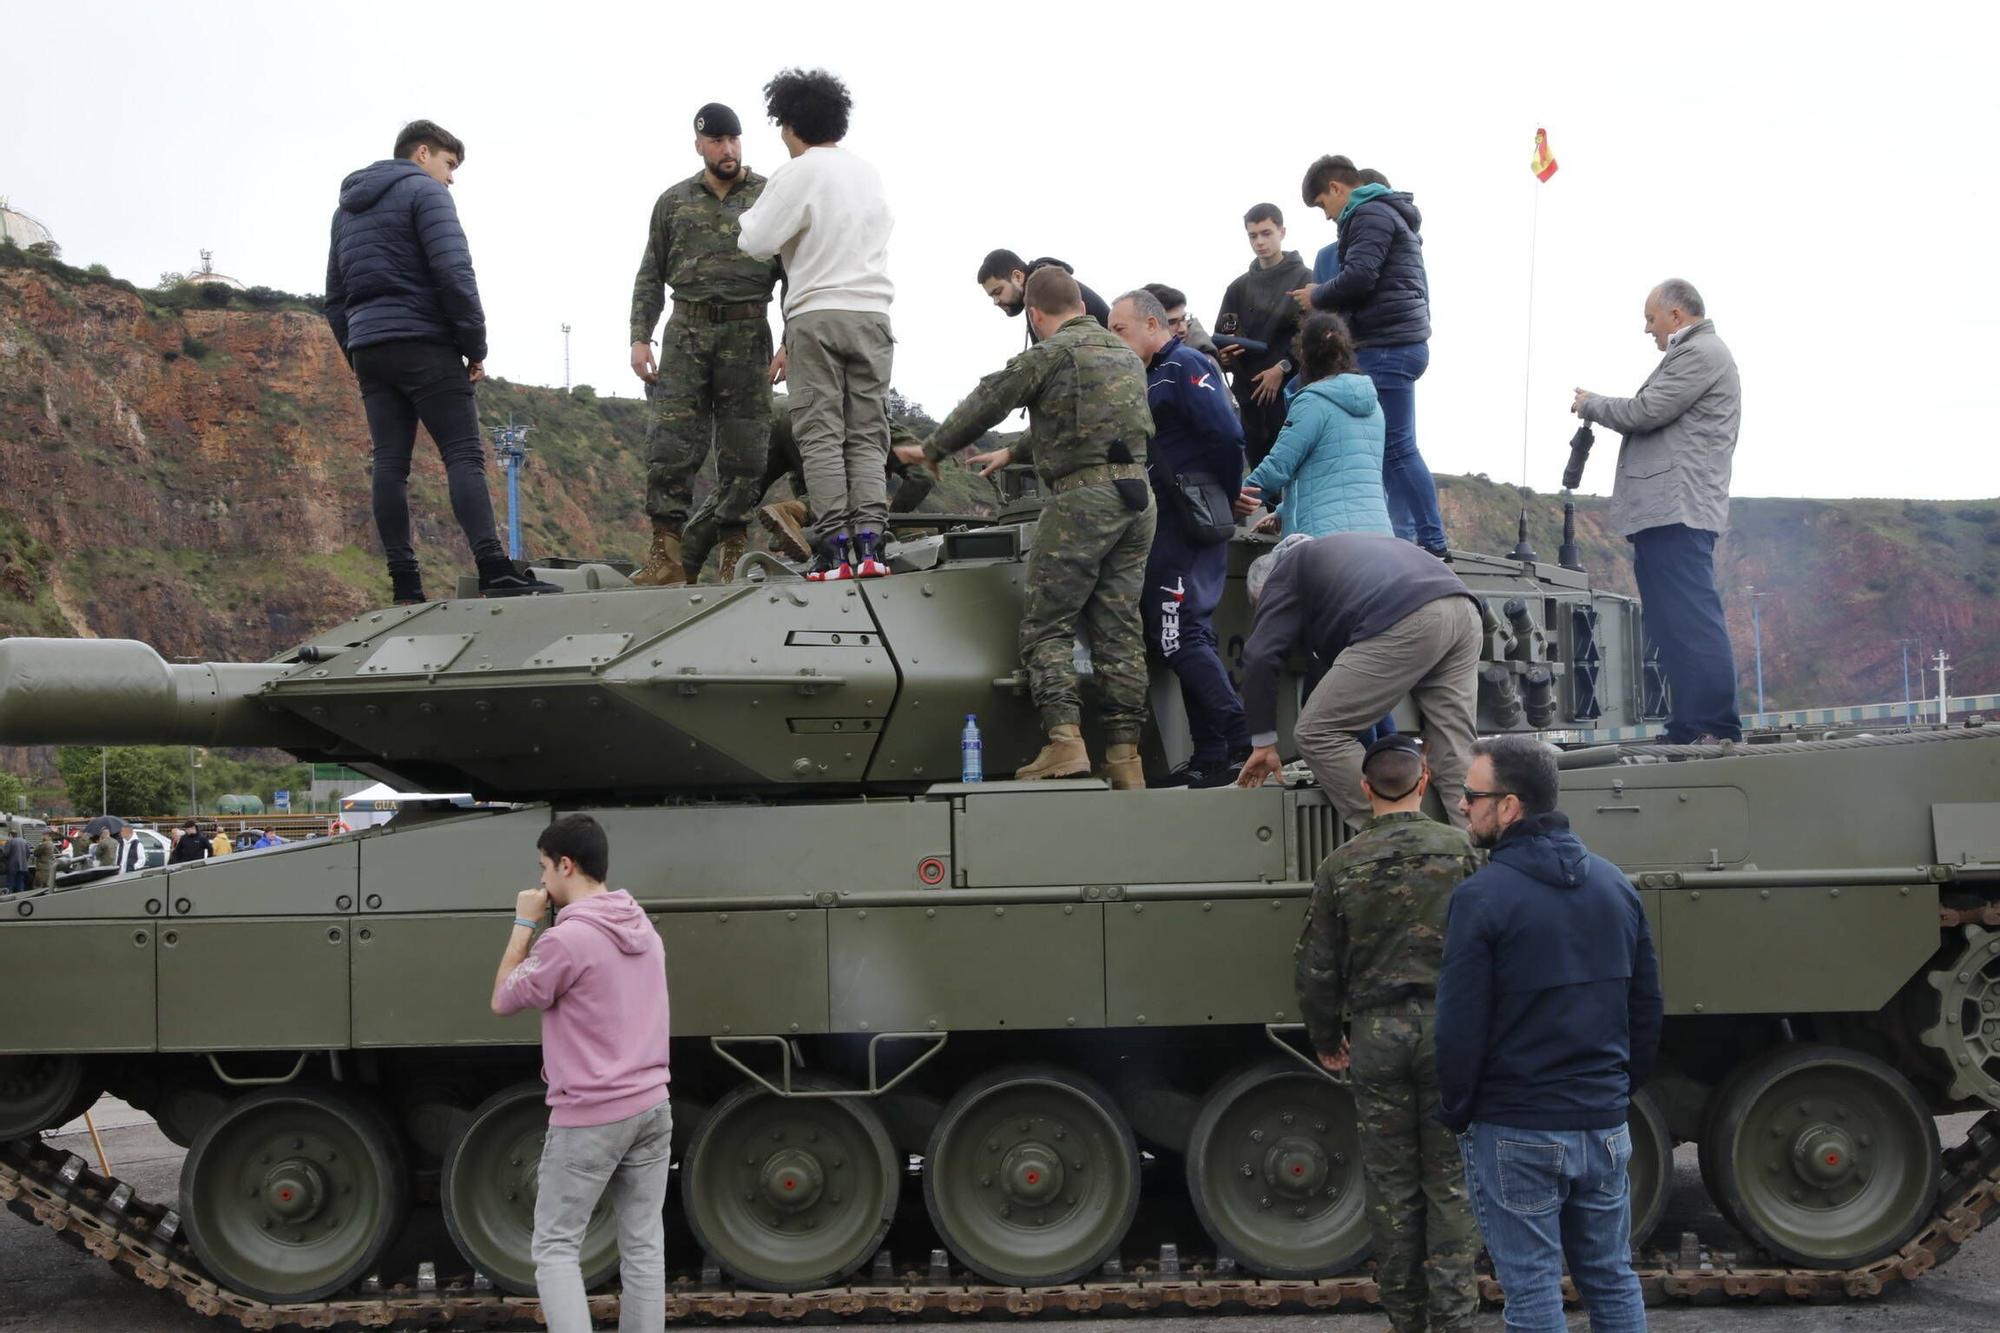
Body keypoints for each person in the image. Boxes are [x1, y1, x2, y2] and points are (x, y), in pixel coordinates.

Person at [1436, 735, 1663, 1333]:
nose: (1461, 806)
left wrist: (1459, 1110)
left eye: (1471, 795)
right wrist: (1614, 1091)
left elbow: (1459, 1026)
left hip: (1517, 1124)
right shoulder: (1616, 886)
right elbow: (1646, 1008)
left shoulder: (1480, 898)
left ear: (1508, 807)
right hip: (1602, 1122)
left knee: (1533, 1288)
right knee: (1612, 1277)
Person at [896, 267, 1156, 788]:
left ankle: (1065, 743)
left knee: (1047, 624)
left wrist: (931, 449)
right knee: (1120, 631)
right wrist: (1015, 449)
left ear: (1035, 315)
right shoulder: (1124, 356)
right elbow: (1091, 425)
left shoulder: (1051, 352)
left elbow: (989, 398)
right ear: (1081, 303)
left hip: (1082, 500)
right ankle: (1126, 759)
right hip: (1138, 501)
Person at [324, 119, 557, 602]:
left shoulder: (345, 211)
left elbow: (335, 297)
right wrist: (475, 345)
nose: (451, 177)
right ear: (423, 153)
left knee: (389, 463)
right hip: (424, 341)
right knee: (463, 455)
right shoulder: (426, 194)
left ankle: (405, 584)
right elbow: (454, 272)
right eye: (449, 165)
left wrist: (357, 347)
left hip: (370, 347)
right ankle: (494, 569)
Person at [1296, 734, 1481, 1333]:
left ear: (1365, 789)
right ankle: (1455, 1319)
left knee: (1392, 1186)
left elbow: (1317, 966)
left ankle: (1407, 1318)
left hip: (1375, 1036)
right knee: (1449, 1183)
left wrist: (1327, 1038)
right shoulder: (1463, 852)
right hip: (1450, 1032)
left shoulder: (1340, 865)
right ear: (1425, 782)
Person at [492, 813, 671, 1333]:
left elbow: (503, 998)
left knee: (555, 1246)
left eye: (544, 868)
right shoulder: (643, 928)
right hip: (651, 1106)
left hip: (591, 1114)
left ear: (566, 865)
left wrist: (524, 923)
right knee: (642, 1246)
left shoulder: (565, 942)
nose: (542, 882)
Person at [737, 67, 896, 581]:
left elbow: (755, 240)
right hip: (873, 314)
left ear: (790, 124)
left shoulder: (798, 172)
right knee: (868, 434)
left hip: (816, 316)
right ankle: (873, 544)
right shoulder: (866, 172)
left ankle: (834, 545)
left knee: (821, 434)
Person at [1573, 279, 1743, 743]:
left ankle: (1713, 724)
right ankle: (1691, 723)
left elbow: (1647, 410)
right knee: (1673, 622)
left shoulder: (1701, 353)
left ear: (1676, 314)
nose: (1647, 329)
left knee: (1690, 620)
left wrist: (1592, 405)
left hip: (1678, 511)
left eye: (1651, 318)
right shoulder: (1696, 354)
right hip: (1669, 513)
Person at [628, 103, 788, 588]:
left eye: (734, 140)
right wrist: (640, 336)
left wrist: (791, 342)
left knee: (745, 450)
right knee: (671, 443)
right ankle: (666, 556)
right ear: (699, 144)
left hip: (748, 332)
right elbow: (650, 273)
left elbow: (795, 275)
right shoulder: (673, 202)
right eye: (717, 141)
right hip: (686, 332)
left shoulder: (769, 197)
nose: (728, 149)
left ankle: (733, 556)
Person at [1105, 288, 1251, 788]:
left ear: (1152, 325)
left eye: (1120, 330)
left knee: (1177, 635)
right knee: (1188, 633)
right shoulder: (1146, 376)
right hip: (1164, 521)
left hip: (1186, 521)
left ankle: (1240, 742)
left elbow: (1227, 435)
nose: (1115, 341)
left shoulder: (1185, 364)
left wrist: (1225, 495)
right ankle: (1211, 753)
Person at [1234, 533, 1480, 828]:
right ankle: (1479, 855)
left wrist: (1263, 744)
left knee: (1316, 733)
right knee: (1454, 748)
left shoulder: (1285, 571)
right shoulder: (1347, 557)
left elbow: (1259, 655)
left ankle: (1405, 842)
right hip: (1465, 611)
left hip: (1408, 615)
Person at [1294, 156, 1446, 556]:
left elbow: (1361, 277)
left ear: (1336, 189)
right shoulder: (1382, 214)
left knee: (1396, 446)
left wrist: (1317, 296)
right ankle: (1410, 536)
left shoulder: (1369, 214)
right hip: (1397, 342)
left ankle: (1431, 542)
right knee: (1393, 446)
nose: (1327, 218)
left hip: (1388, 345)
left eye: (1323, 206)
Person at [1235, 314, 1392, 538]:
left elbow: (1278, 466)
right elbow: (1345, 475)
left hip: (1328, 541)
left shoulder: (1313, 401)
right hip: (1379, 538)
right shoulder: (1374, 406)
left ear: (1302, 354)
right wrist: (1283, 513)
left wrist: (1234, 498)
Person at [1215, 204, 1311, 467]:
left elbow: (1315, 336)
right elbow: (1222, 337)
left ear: (1282, 231)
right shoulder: (1237, 288)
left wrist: (1283, 367)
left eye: (1266, 233)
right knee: (1260, 480)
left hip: (1293, 396)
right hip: (1249, 399)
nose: (1259, 241)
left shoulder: (1307, 280)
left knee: (1295, 473)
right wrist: (1224, 357)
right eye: (1253, 235)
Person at [976, 251, 1111, 343]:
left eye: (998, 291)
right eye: (992, 296)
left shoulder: (1044, 287)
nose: (996, 301)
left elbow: (1052, 354)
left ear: (1017, 276)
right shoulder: (1038, 285)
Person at [2, 825, 27, 894]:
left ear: (10, 835)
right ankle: (21, 897)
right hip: (23, 866)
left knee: (10, 884)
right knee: (20, 884)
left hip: (13, 867)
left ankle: (9, 898)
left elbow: (6, 853)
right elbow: (27, 853)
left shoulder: (10, 842)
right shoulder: (24, 841)